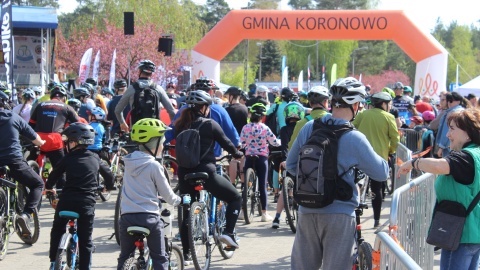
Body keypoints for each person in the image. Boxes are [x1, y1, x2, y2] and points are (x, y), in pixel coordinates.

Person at [286, 77, 389, 270]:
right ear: (356, 105)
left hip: (307, 210)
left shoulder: (310, 127)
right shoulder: (354, 138)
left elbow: (291, 165)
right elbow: (381, 173)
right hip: (339, 214)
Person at [398, 108, 480, 270]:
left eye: (452, 129)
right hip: (471, 233)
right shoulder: (475, 153)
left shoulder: (466, 157)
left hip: (461, 235)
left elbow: (443, 166)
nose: (448, 134)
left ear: (468, 134)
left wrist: (414, 163)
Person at [175, 90, 243, 263]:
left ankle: (187, 255)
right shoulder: (210, 124)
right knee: (235, 197)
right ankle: (228, 233)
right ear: (204, 107)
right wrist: (237, 154)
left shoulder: (181, 125)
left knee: (187, 211)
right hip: (206, 173)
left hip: (184, 174)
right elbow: (227, 143)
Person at [45, 122, 115, 270]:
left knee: (57, 229)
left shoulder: (67, 159)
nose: (66, 145)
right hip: (85, 204)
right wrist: (108, 187)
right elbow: (109, 175)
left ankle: (53, 262)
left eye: (68, 141)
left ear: (75, 142)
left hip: (66, 201)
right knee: (85, 240)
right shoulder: (96, 158)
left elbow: (54, 175)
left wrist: (50, 187)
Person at [117, 118, 181, 270]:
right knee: (159, 257)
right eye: (161, 141)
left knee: (125, 256)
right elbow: (167, 195)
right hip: (149, 218)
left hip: (126, 217)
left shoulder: (128, 163)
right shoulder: (154, 166)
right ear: (153, 143)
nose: (163, 144)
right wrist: (179, 200)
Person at [0, 91, 45, 238]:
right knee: (38, 184)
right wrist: (41, 143)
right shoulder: (13, 117)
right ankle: (25, 215)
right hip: (14, 161)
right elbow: (36, 139)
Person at [353, 91, 399, 227]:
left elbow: (351, 127)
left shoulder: (362, 114)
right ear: (384, 104)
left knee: (355, 183)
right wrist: (391, 151)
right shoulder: (389, 117)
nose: (390, 106)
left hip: (359, 156)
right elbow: (395, 138)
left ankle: (355, 217)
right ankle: (376, 220)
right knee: (377, 189)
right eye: (389, 104)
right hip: (379, 157)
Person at [29, 85, 79, 189]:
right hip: (55, 140)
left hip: (38, 139)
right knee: (60, 169)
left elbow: (31, 124)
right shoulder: (67, 107)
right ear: (64, 98)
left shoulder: (40, 104)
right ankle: (60, 193)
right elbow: (78, 124)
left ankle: (24, 186)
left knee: (26, 165)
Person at [240, 103, 281, 222]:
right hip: (262, 158)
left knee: (245, 186)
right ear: (262, 116)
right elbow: (274, 142)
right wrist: (281, 142)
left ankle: (243, 212)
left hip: (249, 157)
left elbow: (241, 142)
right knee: (263, 184)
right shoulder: (264, 127)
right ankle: (264, 213)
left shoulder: (245, 127)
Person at [115, 60, 175, 132]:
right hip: (155, 130)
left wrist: (122, 123)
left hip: (136, 130)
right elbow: (171, 111)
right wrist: (173, 126)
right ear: (151, 73)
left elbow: (118, 110)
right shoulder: (158, 88)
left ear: (139, 71)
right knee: (159, 143)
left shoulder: (131, 88)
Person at [272, 102, 305, 228]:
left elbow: (284, 146)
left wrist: (286, 159)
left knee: (283, 190)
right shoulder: (304, 126)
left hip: (290, 161)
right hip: (303, 160)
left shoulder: (284, 129)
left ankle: (277, 217)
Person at [224, 86, 248, 185]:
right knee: (242, 158)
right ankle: (243, 182)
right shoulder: (245, 108)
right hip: (243, 138)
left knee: (233, 160)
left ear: (232, 96)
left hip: (231, 138)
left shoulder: (228, 110)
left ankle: (232, 183)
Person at [436, 92, 467, 157]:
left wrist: (441, 147)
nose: (449, 102)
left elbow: (447, 130)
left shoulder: (451, 113)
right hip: (460, 145)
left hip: (449, 145)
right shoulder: (464, 111)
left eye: (451, 100)